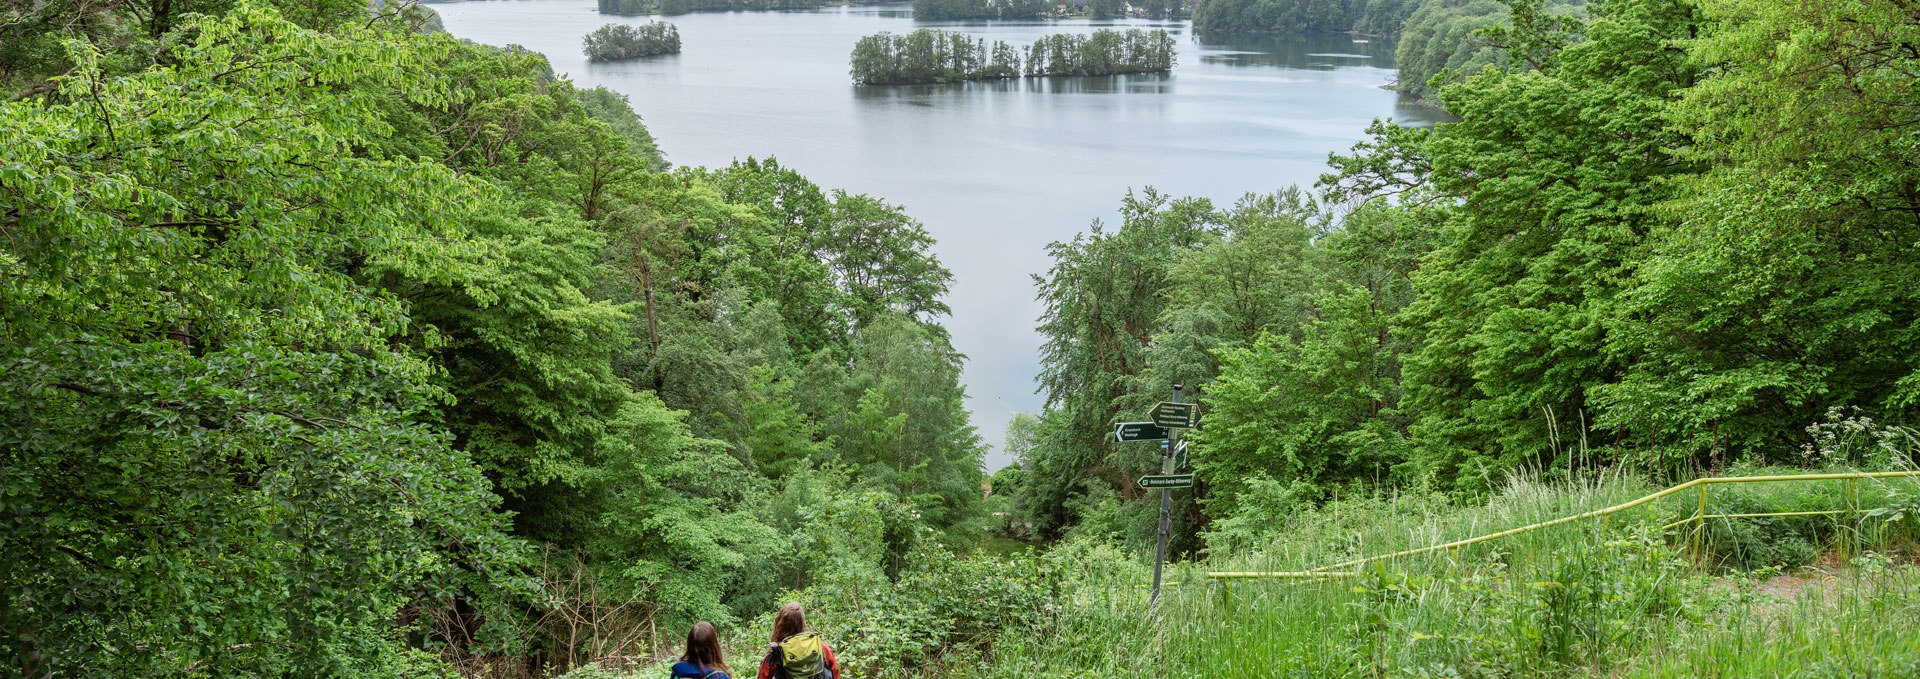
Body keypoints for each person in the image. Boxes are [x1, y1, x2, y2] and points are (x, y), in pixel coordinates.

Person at [757, 603, 839, 679]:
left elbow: (763, 676)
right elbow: (835, 671)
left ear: (780, 624)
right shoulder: (821, 646)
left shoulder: (776, 654)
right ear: (803, 623)